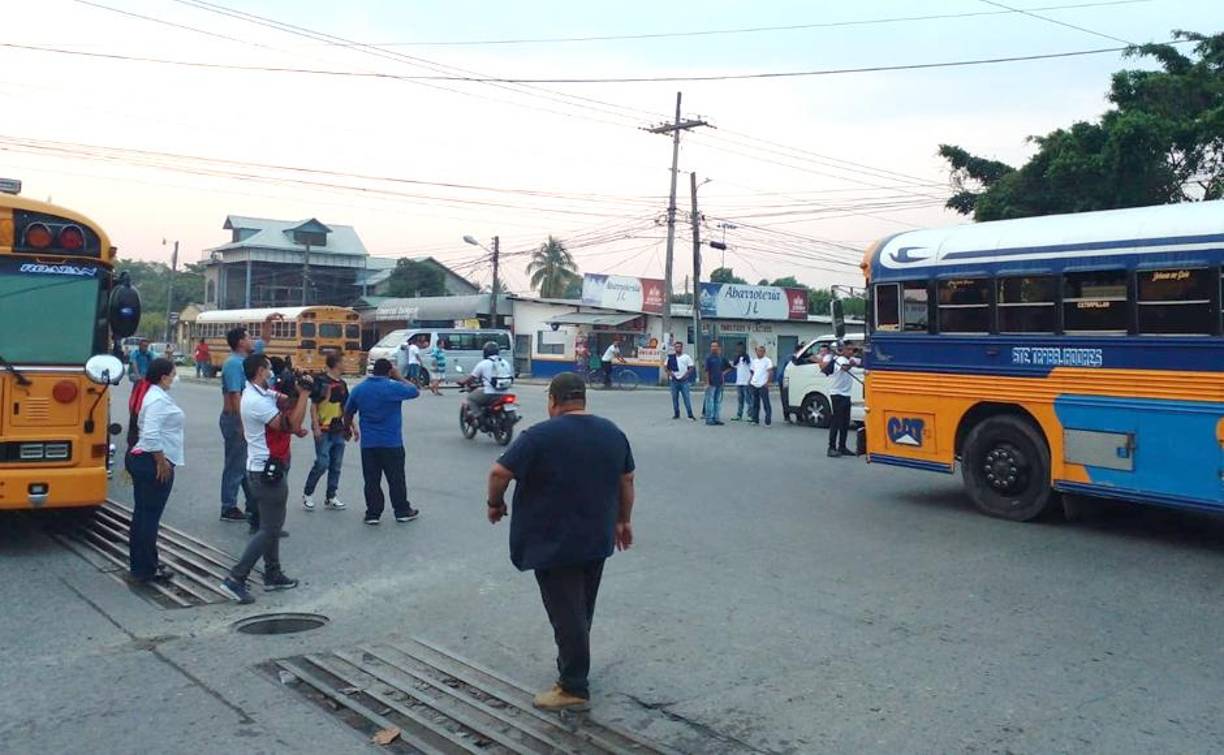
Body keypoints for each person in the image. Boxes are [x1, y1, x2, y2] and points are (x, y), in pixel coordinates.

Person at [485, 373, 636, 711]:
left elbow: (498, 473)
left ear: (553, 400)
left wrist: (495, 504)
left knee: (566, 613)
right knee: (580, 608)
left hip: (554, 542)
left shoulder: (539, 436)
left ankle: (573, 687)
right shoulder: (612, 433)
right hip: (596, 537)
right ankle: (572, 666)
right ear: (583, 399)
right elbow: (626, 480)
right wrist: (624, 521)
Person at [219, 354, 311, 604]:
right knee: (270, 528)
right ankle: (235, 578)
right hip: (266, 471)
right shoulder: (255, 401)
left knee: (270, 525)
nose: (272, 373)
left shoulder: (261, 392)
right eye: (269, 369)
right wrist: (304, 395)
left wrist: (296, 386)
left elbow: (284, 401)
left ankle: (273, 573)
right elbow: (289, 423)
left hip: (265, 468)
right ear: (260, 371)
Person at [125, 358, 183, 585]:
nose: (175, 377)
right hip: (152, 462)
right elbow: (150, 434)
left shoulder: (154, 394)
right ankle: (145, 568)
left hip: (143, 459)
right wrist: (161, 461)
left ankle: (142, 564)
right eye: (173, 373)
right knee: (148, 518)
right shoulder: (157, 399)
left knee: (142, 516)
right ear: (164, 376)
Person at [344, 358, 421, 525]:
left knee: (371, 479)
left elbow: (348, 411)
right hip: (391, 441)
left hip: (369, 443)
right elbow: (414, 391)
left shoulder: (359, 389)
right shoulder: (393, 387)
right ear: (389, 372)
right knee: (396, 479)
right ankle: (401, 510)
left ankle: (373, 513)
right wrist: (399, 376)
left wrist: (347, 428)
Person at [302, 354, 351, 511]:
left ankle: (331, 496)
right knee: (322, 462)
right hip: (323, 427)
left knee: (336, 464)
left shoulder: (343, 384)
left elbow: (345, 407)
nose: (345, 365)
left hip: (338, 427)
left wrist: (351, 426)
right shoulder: (321, 381)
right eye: (343, 362)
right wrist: (315, 425)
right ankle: (308, 493)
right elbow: (314, 405)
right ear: (336, 364)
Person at [218, 327, 254, 524]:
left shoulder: (244, 361)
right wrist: (243, 423)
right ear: (241, 342)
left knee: (244, 464)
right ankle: (228, 506)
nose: (253, 340)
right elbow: (235, 395)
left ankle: (252, 503)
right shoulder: (233, 364)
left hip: (241, 418)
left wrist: (268, 322)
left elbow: (264, 341)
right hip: (234, 417)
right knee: (235, 464)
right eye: (249, 337)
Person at [827, 342, 862, 458]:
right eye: (849, 349)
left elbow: (862, 362)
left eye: (853, 350)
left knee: (845, 422)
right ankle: (831, 448)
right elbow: (844, 368)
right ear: (843, 350)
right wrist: (851, 365)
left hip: (846, 394)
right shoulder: (840, 359)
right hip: (837, 394)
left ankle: (842, 446)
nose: (851, 352)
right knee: (836, 421)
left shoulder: (850, 359)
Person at [462, 341, 514, 417]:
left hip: (489, 393)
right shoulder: (505, 362)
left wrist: (463, 382)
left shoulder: (484, 363)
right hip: (504, 392)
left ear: (486, 352)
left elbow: (472, 377)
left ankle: (479, 416)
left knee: (471, 399)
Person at [702, 340, 732, 426]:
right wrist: (707, 383)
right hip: (711, 383)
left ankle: (716, 418)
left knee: (717, 401)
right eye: (712, 346)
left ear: (719, 348)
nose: (713, 348)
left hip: (719, 383)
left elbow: (729, 367)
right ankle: (709, 419)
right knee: (710, 401)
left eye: (715, 346)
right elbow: (706, 371)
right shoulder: (709, 358)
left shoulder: (721, 358)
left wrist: (723, 373)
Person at [666, 341, 695, 420]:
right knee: (674, 398)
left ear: (682, 348)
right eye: (676, 347)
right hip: (674, 380)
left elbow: (691, 367)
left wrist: (687, 375)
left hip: (684, 381)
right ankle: (676, 414)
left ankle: (690, 414)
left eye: (679, 347)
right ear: (674, 348)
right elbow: (666, 367)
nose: (678, 348)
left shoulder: (686, 357)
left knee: (686, 398)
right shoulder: (671, 357)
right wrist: (670, 374)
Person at [778, 343, 806, 425]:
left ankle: (797, 417)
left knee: (795, 396)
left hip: (789, 380)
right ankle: (788, 417)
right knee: (786, 397)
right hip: (785, 380)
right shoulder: (792, 358)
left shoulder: (792, 357)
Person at [748, 345, 775, 426]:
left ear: (764, 352)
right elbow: (753, 372)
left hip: (763, 385)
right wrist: (750, 381)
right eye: (758, 351)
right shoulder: (754, 361)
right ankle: (755, 420)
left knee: (766, 403)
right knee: (755, 403)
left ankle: (768, 421)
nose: (759, 352)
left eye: (761, 351)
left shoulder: (767, 361)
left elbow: (771, 372)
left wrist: (768, 383)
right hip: (754, 384)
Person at [729, 344, 752, 421]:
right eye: (738, 348)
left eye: (741, 348)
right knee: (740, 400)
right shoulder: (737, 359)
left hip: (746, 383)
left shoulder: (748, 358)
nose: (739, 350)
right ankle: (739, 415)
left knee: (748, 400)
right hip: (739, 382)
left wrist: (750, 380)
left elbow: (752, 369)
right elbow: (733, 365)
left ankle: (750, 415)